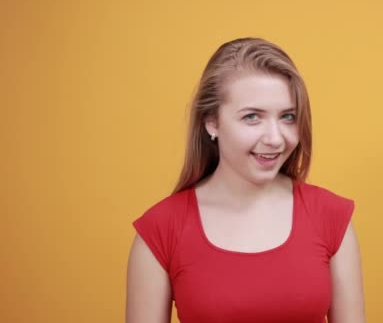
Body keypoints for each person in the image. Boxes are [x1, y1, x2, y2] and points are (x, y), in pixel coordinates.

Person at [126, 37, 366, 323]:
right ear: (211, 121)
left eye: (288, 116)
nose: (276, 138)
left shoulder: (331, 217)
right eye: (253, 117)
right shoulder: (161, 230)